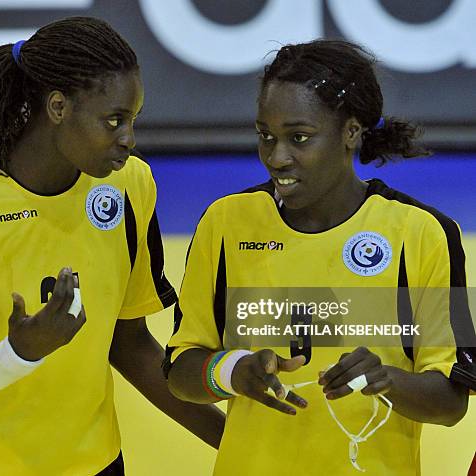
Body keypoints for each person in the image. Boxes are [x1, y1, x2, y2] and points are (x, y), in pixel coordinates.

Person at [0, 16, 224, 476]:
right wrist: (17, 353)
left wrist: (236, 443)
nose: (128, 139)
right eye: (113, 120)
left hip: (97, 464)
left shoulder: (130, 186)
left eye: (133, 120)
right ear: (59, 106)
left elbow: (130, 345)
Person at [165, 40, 475, 475]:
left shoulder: (429, 234)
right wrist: (233, 370)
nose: (277, 157)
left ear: (351, 131)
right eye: (266, 137)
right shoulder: (225, 222)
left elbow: (451, 401)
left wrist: (387, 378)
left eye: (299, 138)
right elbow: (179, 369)